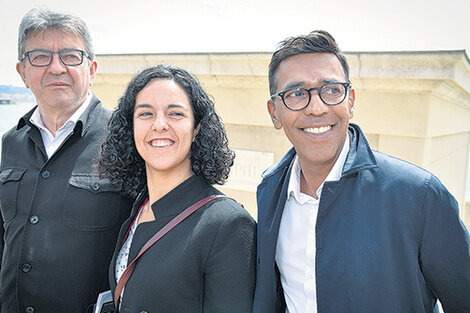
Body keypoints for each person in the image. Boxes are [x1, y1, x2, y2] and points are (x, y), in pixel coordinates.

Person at [254, 30, 470, 313]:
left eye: (331, 90)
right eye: (296, 94)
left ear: (350, 101)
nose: (317, 108)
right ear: (274, 113)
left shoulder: (419, 195)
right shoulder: (269, 190)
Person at [0, 7, 132, 313]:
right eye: (40, 57)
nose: (57, 68)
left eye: (71, 56)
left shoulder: (127, 140)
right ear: (22, 73)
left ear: (92, 69)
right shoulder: (10, 143)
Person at [98, 64, 256, 313]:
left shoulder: (227, 224)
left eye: (176, 114)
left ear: (196, 129)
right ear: (132, 127)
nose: (159, 125)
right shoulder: (138, 206)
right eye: (145, 114)